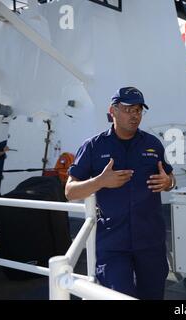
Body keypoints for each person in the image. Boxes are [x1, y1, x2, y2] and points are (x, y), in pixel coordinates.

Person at [65, 87, 176, 299]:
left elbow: (170, 178)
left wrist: (168, 182)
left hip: (150, 240)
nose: (135, 115)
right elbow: (70, 191)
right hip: (113, 243)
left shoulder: (153, 144)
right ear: (112, 111)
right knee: (117, 295)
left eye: (138, 110)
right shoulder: (93, 147)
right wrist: (100, 181)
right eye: (128, 109)